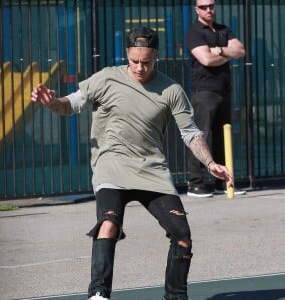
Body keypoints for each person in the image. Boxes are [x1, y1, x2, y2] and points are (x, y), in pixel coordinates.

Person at [31, 27, 233, 300]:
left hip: (152, 170)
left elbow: (191, 132)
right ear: (127, 54)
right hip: (111, 164)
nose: (140, 67)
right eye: (134, 60)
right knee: (109, 223)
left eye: (146, 61)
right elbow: (71, 104)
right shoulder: (105, 79)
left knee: (182, 236)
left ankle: (175, 297)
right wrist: (52, 102)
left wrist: (210, 163)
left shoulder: (171, 89)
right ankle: (99, 294)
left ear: (156, 56)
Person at [186, 0, 246, 198]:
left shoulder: (223, 29)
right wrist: (226, 52)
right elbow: (205, 60)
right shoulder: (195, 32)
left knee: (223, 137)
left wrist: (217, 50)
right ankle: (196, 183)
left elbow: (240, 50)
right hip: (204, 92)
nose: (208, 9)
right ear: (196, 9)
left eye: (211, 5)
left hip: (224, 91)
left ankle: (223, 182)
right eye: (203, 6)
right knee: (200, 136)